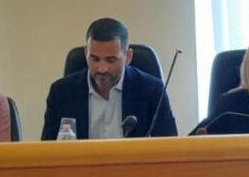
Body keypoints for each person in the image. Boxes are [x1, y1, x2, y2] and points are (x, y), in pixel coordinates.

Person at [41, 18, 177, 140]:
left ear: (128, 57)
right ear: (86, 53)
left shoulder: (153, 90)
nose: (102, 69)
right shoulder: (61, 93)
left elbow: (169, 149)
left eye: (110, 60)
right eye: (95, 59)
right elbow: (47, 152)